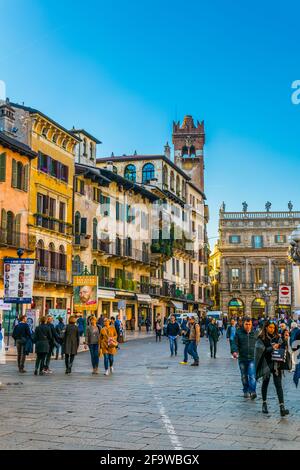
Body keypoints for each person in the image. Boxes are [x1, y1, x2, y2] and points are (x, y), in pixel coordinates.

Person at [255, 320, 290, 416]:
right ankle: (264, 403)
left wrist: (285, 341)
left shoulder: (278, 337)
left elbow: (284, 348)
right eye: (270, 327)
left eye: (273, 327)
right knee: (265, 383)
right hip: (266, 363)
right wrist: (272, 348)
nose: (272, 329)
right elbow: (260, 350)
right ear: (266, 327)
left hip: (276, 364)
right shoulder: (261, 338)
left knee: (278, 384)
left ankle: (282, 407)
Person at [232, 317, 257, 399]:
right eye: (246, 324)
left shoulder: (255, 333)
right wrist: (234, 351)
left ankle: (253, 391)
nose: (248, 326)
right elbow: (234, 343)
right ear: (243, 324)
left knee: (252, 376)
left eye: (249, 324)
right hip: (242, 358)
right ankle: (246, 390)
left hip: (252, 358)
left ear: (252, 324)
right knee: (244, 376)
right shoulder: (239, 333)